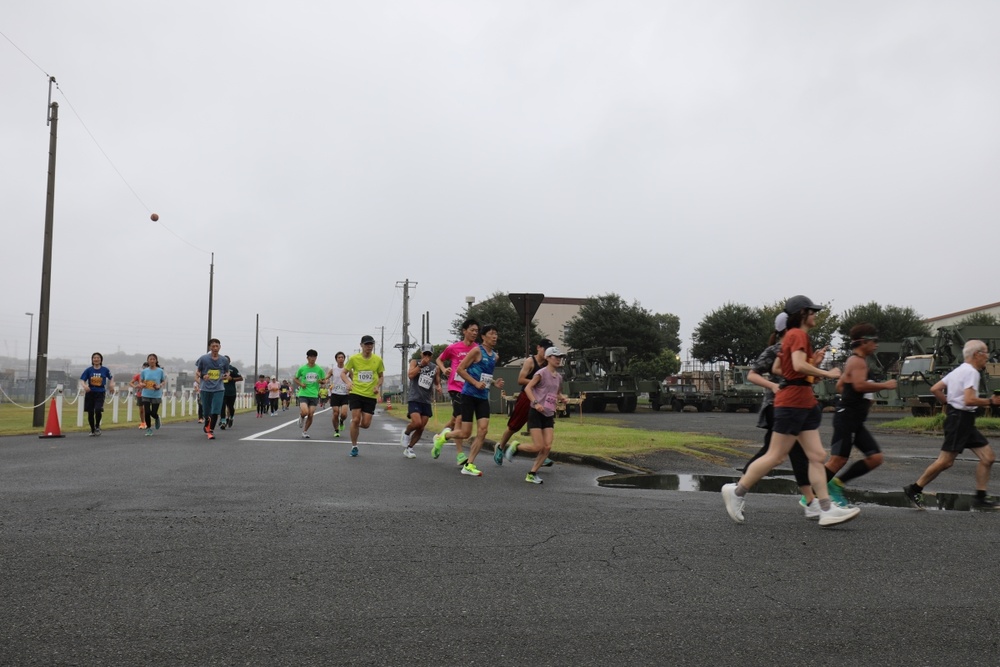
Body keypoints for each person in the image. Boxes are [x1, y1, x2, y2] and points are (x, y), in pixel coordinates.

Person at [721, 295, 858, 527]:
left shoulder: (791, 338)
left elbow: (779, 367)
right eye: (813, 312)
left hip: (801, 401)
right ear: (802, 313)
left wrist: (810, 365)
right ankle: (737, 491)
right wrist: (827, 373)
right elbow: (795, 365)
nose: (816, 315)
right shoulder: (798, 334)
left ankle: (825, 509)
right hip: (792, 402)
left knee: (816, 456)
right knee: (775, 455)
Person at [903, 339, 999, 510]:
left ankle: (981, 498)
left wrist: (949, 403)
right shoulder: (971, 372)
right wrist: (991, 402)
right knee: (946, 462)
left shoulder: (958, 370)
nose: (987, 357)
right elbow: (969, 400)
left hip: (963, 419)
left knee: (988, 457)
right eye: (985, 353)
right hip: (959, 420)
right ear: (977, 354)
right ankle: (914, 489)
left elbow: (935, 389)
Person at [743, 312, 819, 518]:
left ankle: (812, 502)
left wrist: (816, 366)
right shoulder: (774, 350)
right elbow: (752, 374)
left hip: (794, 406)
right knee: (776, 453)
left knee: (792, 453)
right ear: (788, 328)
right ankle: (739, 487)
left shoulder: (795, 346)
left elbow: (805, 376)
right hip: (777, 406)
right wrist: (773, 385)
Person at [824, 324, 897, 506]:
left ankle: (836, 484)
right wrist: (884, 386)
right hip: (847, 418)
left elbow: (841, 385)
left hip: (855, 420)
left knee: (875, 458)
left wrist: (862, 400)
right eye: (874, 341)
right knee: (837, 460)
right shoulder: (856, 361)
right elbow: (858, 385)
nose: (877, 345)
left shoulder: (859, 363)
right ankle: (810, 495)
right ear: (863, 341)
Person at [433, 324, 505, 477]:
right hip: (468, 395)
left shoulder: (494, 356)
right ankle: (443, 437)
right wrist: (475, 383)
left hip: (482, 397)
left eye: (496, 334)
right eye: (491, 334)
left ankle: (469, 464)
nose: (495, 337)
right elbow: (460, 369)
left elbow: (484, 375)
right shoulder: (476, 351)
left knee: (483, 430)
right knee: (465, 433)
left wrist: (494, 383)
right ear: (483, 337)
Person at [506, 346, 567, 484]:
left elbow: (555, 392)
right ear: (547, 358)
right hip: (535, 412)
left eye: (560, 357)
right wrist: (535, 402)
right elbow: (528, 388)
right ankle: (516, 447)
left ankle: (532, 473)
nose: (558, 359)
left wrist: (562, 397)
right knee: (538, 446)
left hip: (548, 413)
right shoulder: (541, 373)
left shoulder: (558, 377)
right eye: (555, 357)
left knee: (547, 446)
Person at [493, 338, 554, 466]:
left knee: (543, 427)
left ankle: (542, 454)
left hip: (541, 400)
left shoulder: (548, 364)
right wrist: (537, 382)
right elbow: (520, 380)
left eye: (548, 350)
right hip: (527, 397)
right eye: (544, 349)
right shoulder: (530, 361)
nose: (546, 352)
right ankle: (500, 447)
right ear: (538, 348)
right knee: (514, 425)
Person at [433, 319, 479, 465]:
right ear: (464, 331)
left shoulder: (477, 349)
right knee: (460, 418)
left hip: (470, 388)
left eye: (476, 331)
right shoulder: (453, 348)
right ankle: (460, 455)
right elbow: (439, 359)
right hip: (456, 387)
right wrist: (443, 369)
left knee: (454, 420)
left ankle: (439, 438)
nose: (474, 333)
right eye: (472, 330)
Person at [342, 335, 385, 457]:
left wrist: (377, 386)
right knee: (356, 419)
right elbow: (343, 374)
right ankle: (354, 446)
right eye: (366, 344)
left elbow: (381, 376)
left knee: (366, 424)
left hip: (370, 395)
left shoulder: (378, 360)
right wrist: (348, 383)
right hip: (356, 393)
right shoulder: (354, 359)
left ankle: (354, 424)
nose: (369, 346)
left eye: (371, 344)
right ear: (361, 345)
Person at [401, 344, 442, 458]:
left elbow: (437, 381)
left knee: (421, 427)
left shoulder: (435, 367)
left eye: (429, 354)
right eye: (425, 354)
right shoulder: (415, 362)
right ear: (421, 354)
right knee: (416, 423)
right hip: (414, 398)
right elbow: (410, 375)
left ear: (432, 355)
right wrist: (420, 366)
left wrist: (438, 387)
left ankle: (410, 448)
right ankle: (406, 432)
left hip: (426, 400)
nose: (427, 356)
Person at [194, 339, 230, 440]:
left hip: (219, 388)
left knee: (215, 410)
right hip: (205, 388)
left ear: (220, 347)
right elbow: (197, 372)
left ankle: (211, 431)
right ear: (210, 347)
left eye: (217, 346)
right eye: (213, 346)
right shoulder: (203, 358)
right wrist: (203, 375)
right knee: (206, 412)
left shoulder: (224, 360)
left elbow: (227, 372)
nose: (215, 348)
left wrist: (226, 375)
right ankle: (207, 422)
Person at [79, 352, 115, 436]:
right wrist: (85, 386)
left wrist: (111, 385)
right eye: (94, 358)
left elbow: (111, 378)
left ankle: (97, 426)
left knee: (98, 409)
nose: (96, 359)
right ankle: (92, 429)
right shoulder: (89, 370)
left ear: (101, 359)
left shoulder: (105, 370)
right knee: (90, 412)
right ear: (92, 360)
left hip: (100, 392)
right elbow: (82, 380)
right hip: (90, 392)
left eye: (98, 358)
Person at [294, 350, 326, 439]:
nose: (313, 359)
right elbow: (295, 378)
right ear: (307, 358)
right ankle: (301, 416)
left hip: (314, 394)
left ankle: (304, 431)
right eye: (311, 357)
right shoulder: (302, 368)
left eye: (314, 357)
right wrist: (301, 384)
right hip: (303, 393)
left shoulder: (319, 369)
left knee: (311, 414)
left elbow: (324, 381)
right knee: (305, 412)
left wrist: (322, 381)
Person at [139, 354, 166, 437]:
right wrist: (142, 384)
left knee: (153, 412)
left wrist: (159, 386)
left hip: (156, 394)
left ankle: (157, 417)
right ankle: (149, 429)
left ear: (156, 361)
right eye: (150, 359)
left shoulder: (160, 371)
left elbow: (164, 381)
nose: (152, 361)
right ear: (148, 361)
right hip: (146, 393)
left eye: (153, 359)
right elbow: (141, 381)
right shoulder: (144, 371)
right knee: (147, 412)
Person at [328, 352, 349, 437]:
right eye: (339, 357)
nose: (340, 359)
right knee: (335, 413)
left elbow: (354, 379)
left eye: (342, 357)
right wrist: (323, 380)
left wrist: (352, 385)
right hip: (335, 394)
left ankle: (341, 421)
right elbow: (327, 377)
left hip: (345, 394)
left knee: (343, 414)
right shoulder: (333, 370)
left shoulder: (348, 370)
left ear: (344, 359)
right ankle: (336, 430)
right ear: (336, 359)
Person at [220, 356, 243, 430]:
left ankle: (231, 417)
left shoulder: (233, 369)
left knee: (230, 407)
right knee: (222, 406)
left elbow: (241, 378)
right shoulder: (219, 369)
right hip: (221, 391)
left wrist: (232, 378)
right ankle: (223, 421)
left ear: (229, 361)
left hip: (231, 391)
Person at [130, 362, 149, 429]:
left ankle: (147, 422)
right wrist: (135, 386)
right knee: (141, 410)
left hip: (148, 394)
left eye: (147, 367)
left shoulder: (151, 376)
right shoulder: (138, 376)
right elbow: (131, 383)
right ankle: (143, 423)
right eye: (144, 367)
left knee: (147, 409)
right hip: (140, 394)